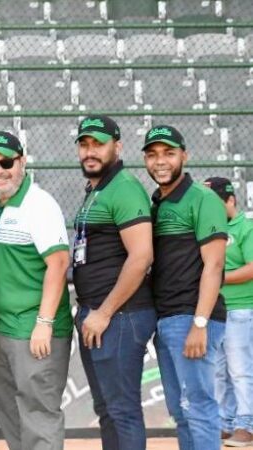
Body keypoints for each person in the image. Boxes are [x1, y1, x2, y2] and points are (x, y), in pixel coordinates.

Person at [0, 131, 72, 450]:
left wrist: (44, 323)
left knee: (39, 417)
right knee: (11, 415)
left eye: (6, 162)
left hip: (35, 330)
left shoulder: (39, 204)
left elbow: (59, 263)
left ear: (21, 162)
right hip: (1, 330)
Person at [71, 116, 155, 450]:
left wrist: (104, 312)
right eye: (84, 144)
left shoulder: (124, 187)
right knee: (107, 410)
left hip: (119, 316)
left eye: (98, 144)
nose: (90, 151)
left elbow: (141, 256)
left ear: (117, 147)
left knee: (122, 411)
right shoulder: (98, 189)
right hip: (98, 314)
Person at [143, 124, 227, 449]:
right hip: (166, 318)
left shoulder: (203, 198)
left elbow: (214, 265)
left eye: (169, 153)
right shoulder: (157, 202)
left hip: (192, 317)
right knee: (180, 410)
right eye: (153, 154)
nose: (160, 161)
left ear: (184, 156)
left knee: (199, 407)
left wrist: (200, 323)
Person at [205, 177, 253, 447]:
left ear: (231, 200)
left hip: (241, 309)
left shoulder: (246, 227)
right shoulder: (210, 229)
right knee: (219, 371)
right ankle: (225, 423)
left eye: (214, 203)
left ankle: (246, 426)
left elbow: (252, 267)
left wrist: (217, 278)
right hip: (215, 310)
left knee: (240, 370)